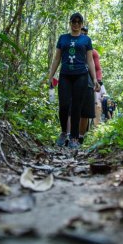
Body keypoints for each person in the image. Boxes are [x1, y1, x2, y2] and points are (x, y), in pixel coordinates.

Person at [47, 12, 100, 149]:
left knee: (77, 107)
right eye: (73, 22)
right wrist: (50, 76)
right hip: (65, 75)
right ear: (70, 23)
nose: (76, 24)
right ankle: (64, 132)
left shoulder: (86, 40)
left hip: (81, 76)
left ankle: (74, 138)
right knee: (64, 105)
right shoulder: (63, 38)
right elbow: (57, 58)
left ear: (82, 24)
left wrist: (94, 79)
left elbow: (90, 60)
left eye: (78, 22)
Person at [81, 26, 104, 130]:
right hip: (76, 81)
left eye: (85, 33)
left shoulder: (93, 52)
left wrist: (98, 81)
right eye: (81, 33)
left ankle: (96, 128)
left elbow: (98, 68)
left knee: (97, 104)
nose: (83, 35)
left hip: (91, 81)